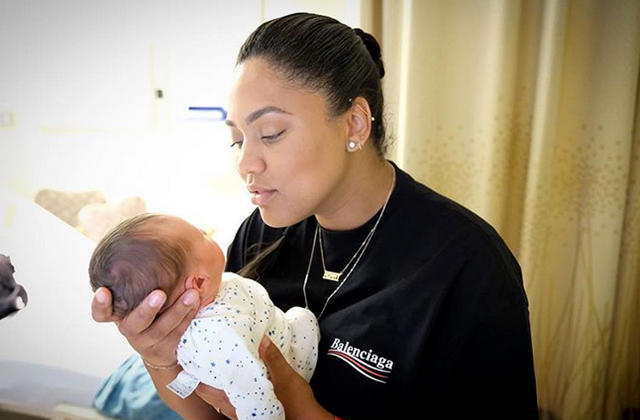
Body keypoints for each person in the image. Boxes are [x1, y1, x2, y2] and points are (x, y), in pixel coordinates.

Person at [91, 12, 539, 420]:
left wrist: (293, 401)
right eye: (237, 139)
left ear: (355, 124)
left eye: (271, 133)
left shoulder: (467, 268)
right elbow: (211, 413)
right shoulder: (261, 233)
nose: (246, 163)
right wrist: (161, 357)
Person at [88, 213, 319, 420]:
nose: (207, 230)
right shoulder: (217, 339)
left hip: (281, 343)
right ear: (198, 282)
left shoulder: (213, 288)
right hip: (275, 378)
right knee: (302, 319)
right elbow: (253, 396)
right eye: (202, 234)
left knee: (301, 318)